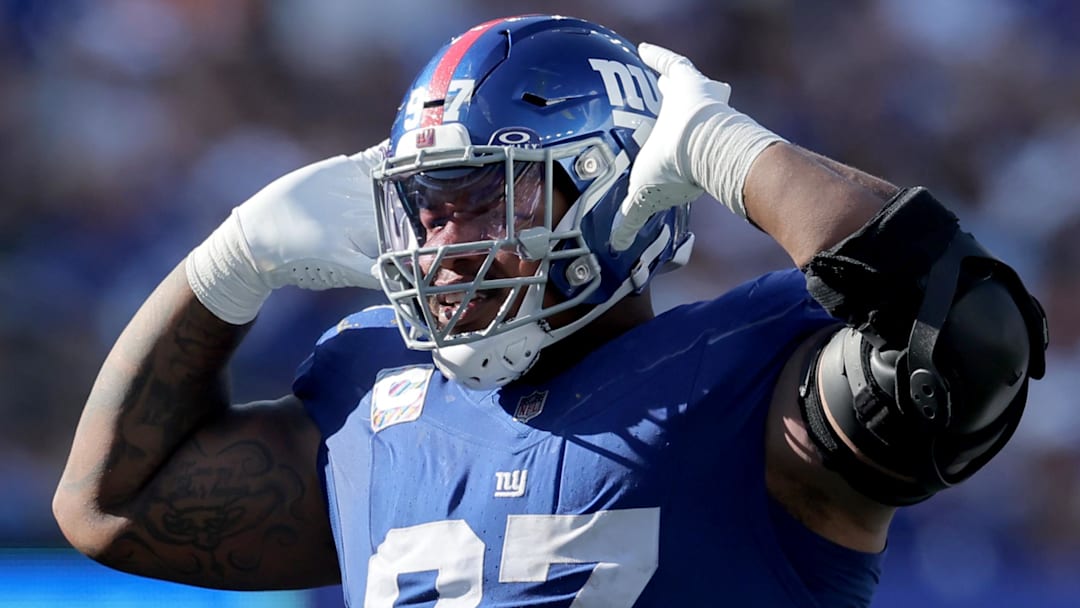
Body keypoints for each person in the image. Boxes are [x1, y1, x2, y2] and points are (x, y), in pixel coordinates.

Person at [53, 14, 1048, 607]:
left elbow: (965, 338)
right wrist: (227, 264)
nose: (443, 241)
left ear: (615, 184)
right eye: (426, 207)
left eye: (485, 199)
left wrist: (735, 156)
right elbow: (109, 505)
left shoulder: (738, 369)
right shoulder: (372, 391)